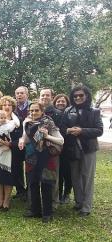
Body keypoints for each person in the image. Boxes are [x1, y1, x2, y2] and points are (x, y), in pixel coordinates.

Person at [19, 101, 64, 223]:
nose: (34, 113)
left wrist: (47, 136)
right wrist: (21, 140)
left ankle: (47, 213)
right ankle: (35, 210)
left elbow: (61, 141)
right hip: (32, 157)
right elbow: (27, 138)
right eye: (31, 111)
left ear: (42, 111)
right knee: (33, 183)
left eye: (36, 110)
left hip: (46, 157)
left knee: (46, 184)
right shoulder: (28, 123)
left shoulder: (48, 123)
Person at [62, 85, 103, 217]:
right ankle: (78, 202)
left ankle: (86, 207)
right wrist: (68, 130)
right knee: (75, 177)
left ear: (86, 96)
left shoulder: (94, 111)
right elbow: (62, 127)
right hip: (72, 149)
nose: (78, 98)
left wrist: (82, 131)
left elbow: (99, 130)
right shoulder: (68, 111)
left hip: (88, 149)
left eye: (81, 95)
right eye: (75, 96)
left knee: (87, 177)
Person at [0, 96, 21, 211]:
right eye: (4, 105)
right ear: (1, 107)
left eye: (9, 105)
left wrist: (10, 144)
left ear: (13, 107)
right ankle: (0, 200)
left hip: (10, 153)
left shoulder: (16, 121)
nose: (7, 107)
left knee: (7, 178)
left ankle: (6, 201)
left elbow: (21, 138)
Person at [39, 88, 63, 208]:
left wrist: (48, 137)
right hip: (38, 151)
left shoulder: (57, 113)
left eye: (47, 95)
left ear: (52, 97)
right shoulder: (34, 113)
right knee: (39, 177)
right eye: (42, 95)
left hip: (52, 150)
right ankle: (41, 201)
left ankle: (54, 202)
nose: (44, 97)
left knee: (53, 177)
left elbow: (60, 134)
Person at [53, 94, 72, 203]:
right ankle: (59, 193)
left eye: (63, 101)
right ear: (55, 103)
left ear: (67, 103)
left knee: (67, 172)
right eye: (58, 101)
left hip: (68, 147)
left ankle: (67, 193)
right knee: (58, 173)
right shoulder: (52, 114)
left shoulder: (70, 114)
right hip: (56, 147)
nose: (60, 103)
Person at [13, 86, 30, 199]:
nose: (19, 95)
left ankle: (29, 191)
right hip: (15, 142)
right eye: (18, 93)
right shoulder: (13, 108)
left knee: (29, 166)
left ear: (27, 95)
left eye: (22, 93)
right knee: (16, 166)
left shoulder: (32, 107)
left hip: (29, 141)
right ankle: (20, 190)